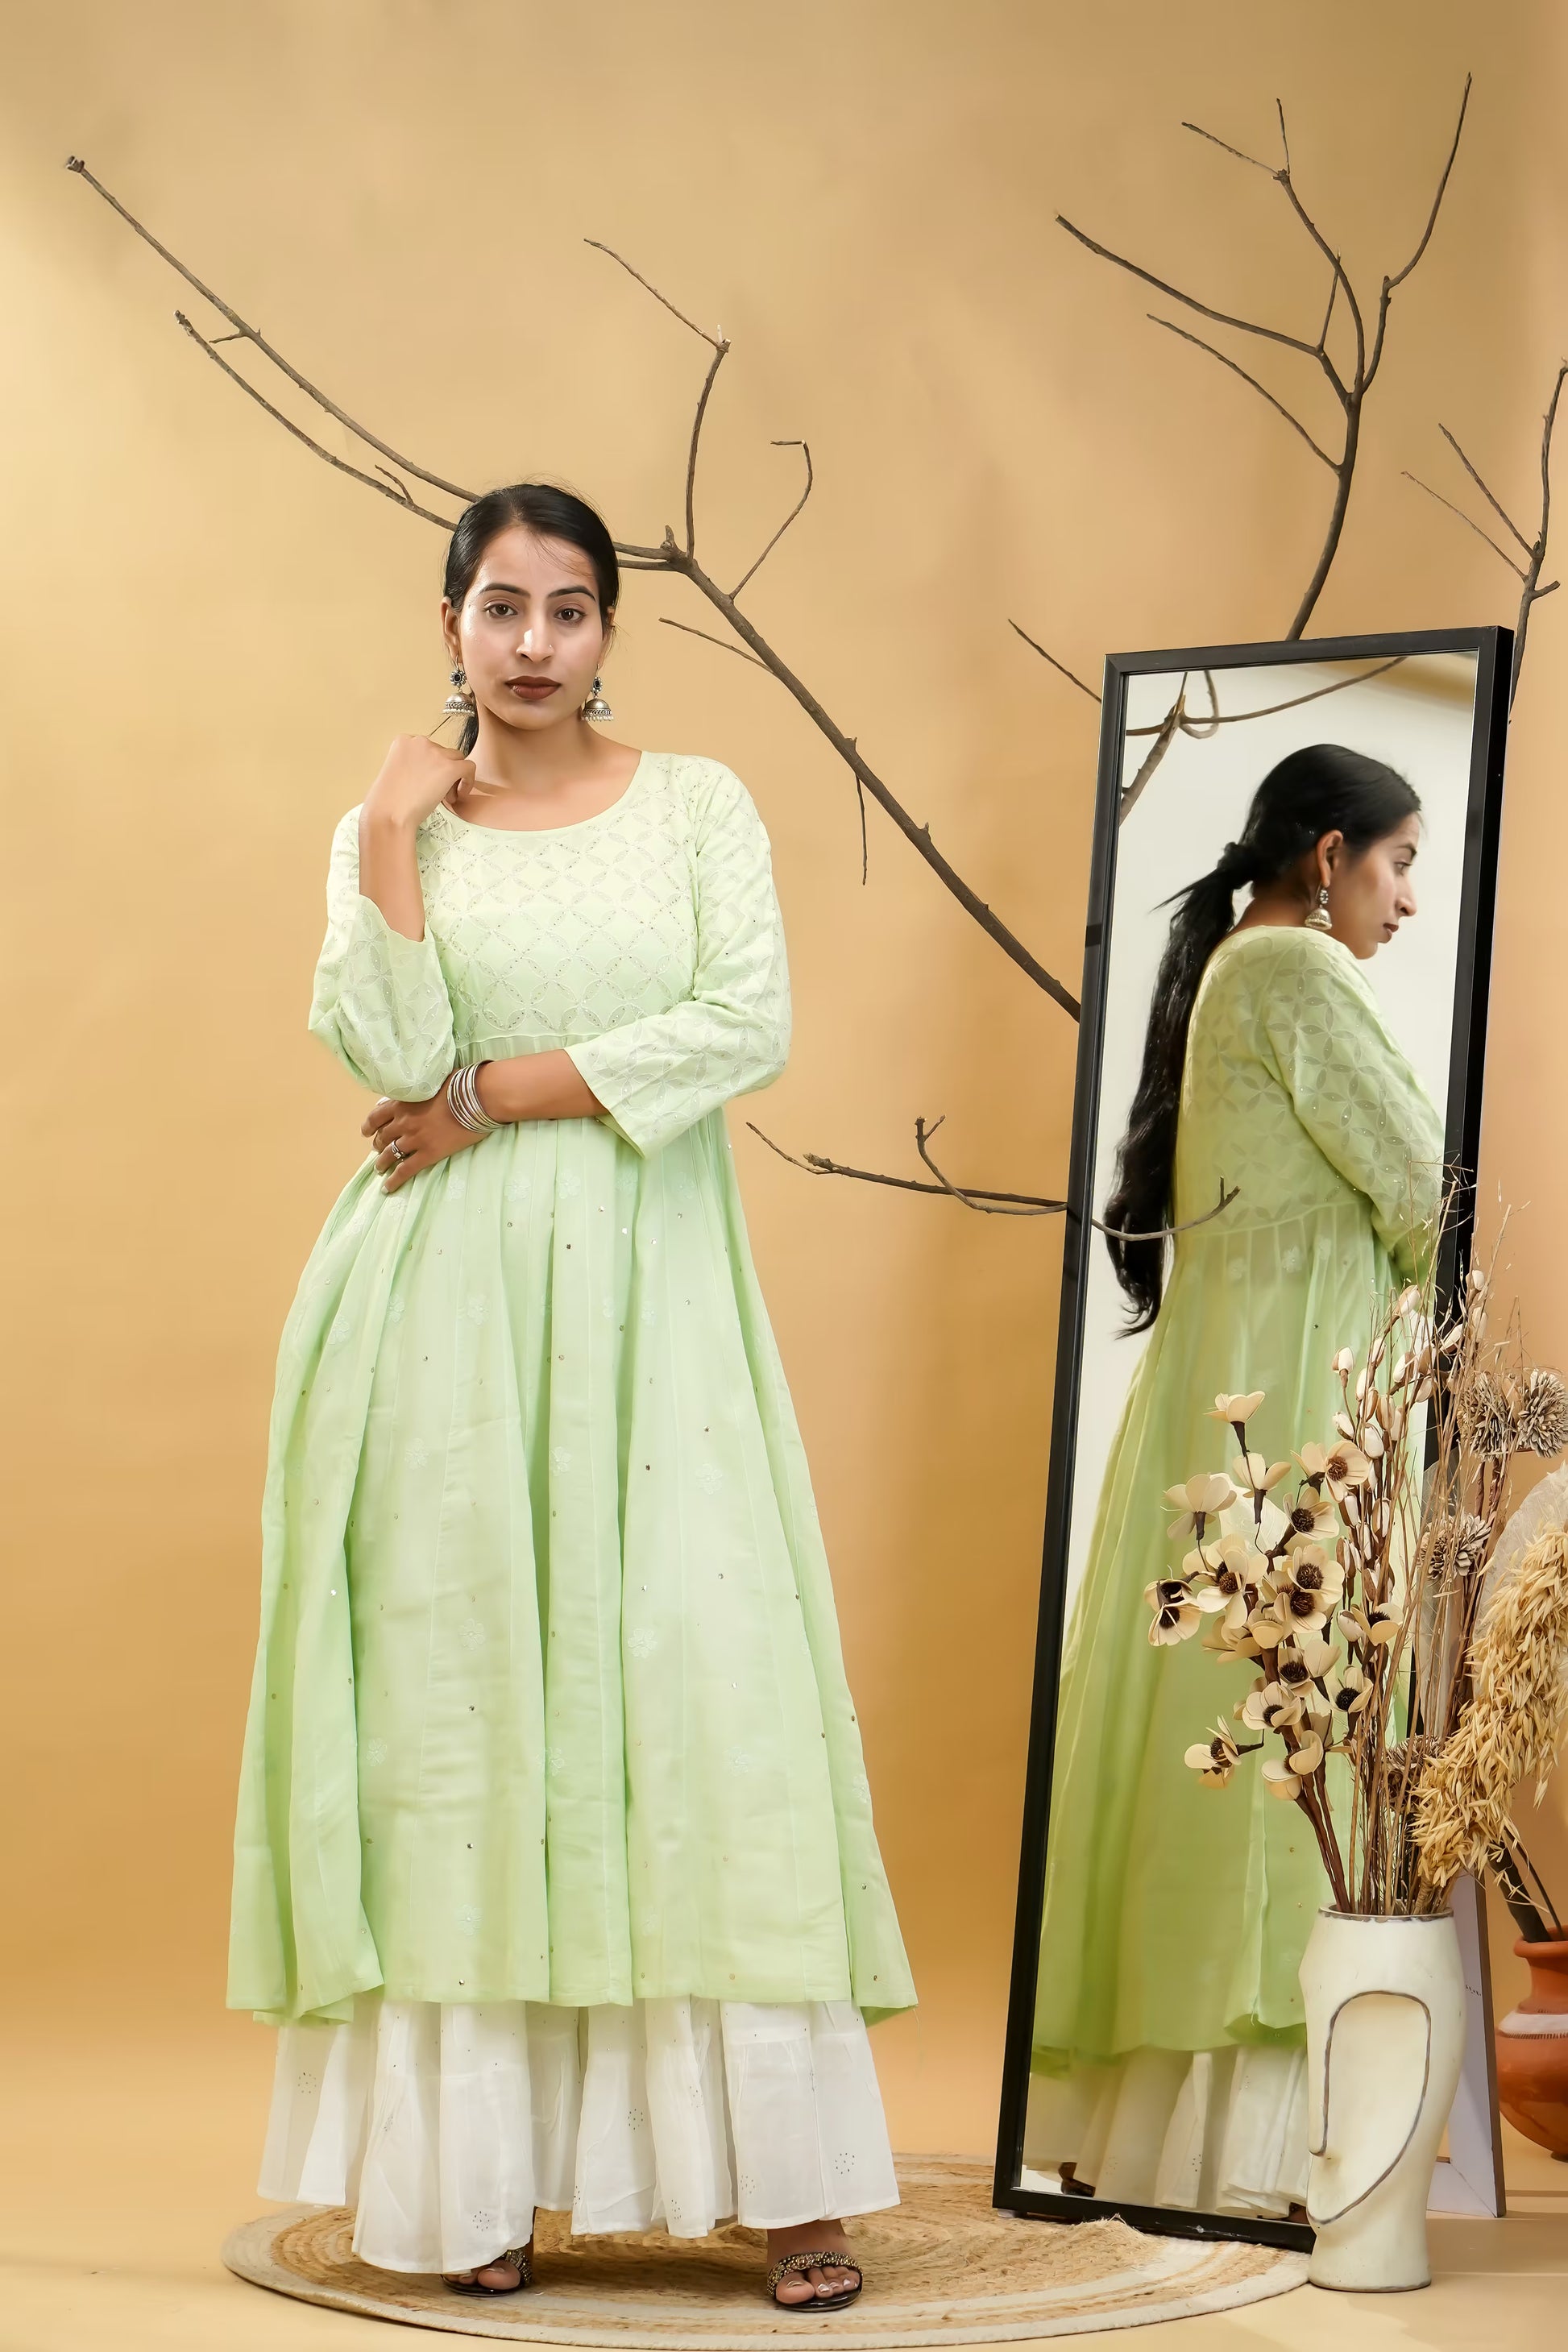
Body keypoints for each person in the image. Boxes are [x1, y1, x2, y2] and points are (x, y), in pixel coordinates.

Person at [230, 481, 914, 2310]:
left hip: (653, 1293)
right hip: (438, 1316)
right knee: (476, 1715)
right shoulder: (389, 833)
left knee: (708, 1693)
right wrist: (386, 836)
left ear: (611, 628)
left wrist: (493, 1093)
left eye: (569, 610)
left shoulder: (700, 805)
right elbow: (379, 1055)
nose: (533, 644)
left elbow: (739, 1018)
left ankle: (785, 2184)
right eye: (500, 608)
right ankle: (490, 2184)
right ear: (448, 619)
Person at [1029, 745, 1443, 2217]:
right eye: (1396, 864)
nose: (1404, 900)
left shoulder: (1226, 974)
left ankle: (1168, 2138)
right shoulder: (1295, 976)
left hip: (1245, 1399)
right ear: (1327, 856)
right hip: (1302, 1398)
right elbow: (1420, 1187)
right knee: (1291, 1740)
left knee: (1227, 1731)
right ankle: (1280, 2154)